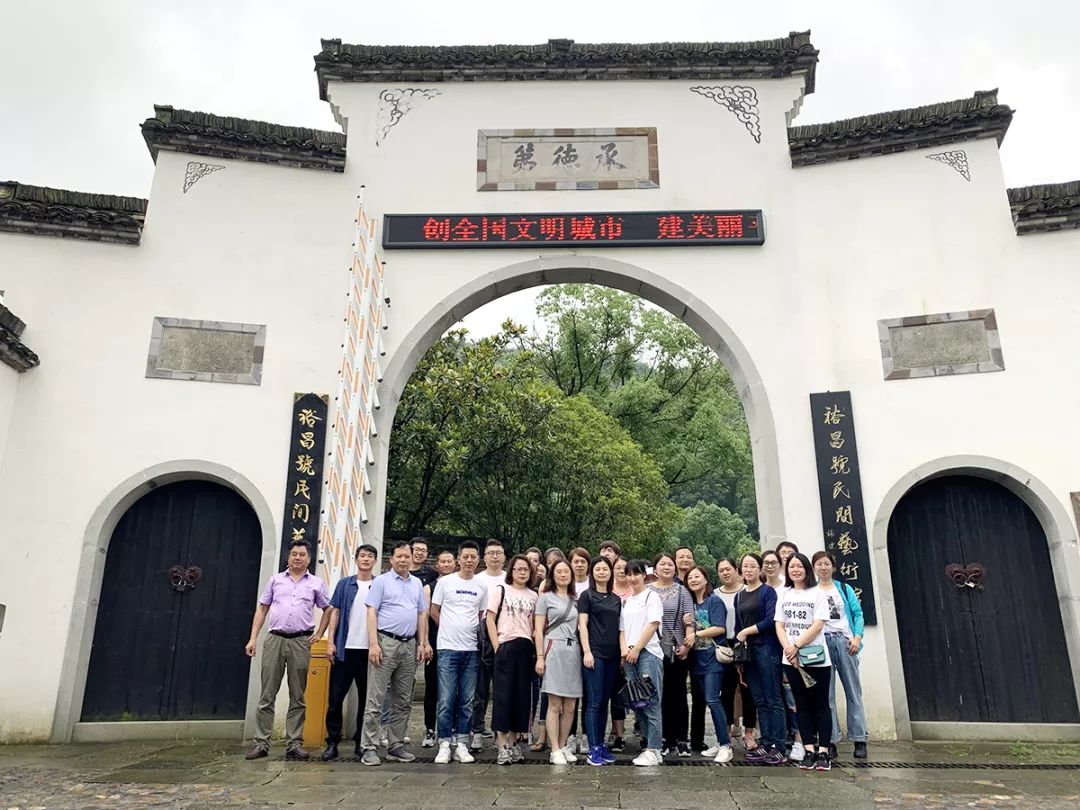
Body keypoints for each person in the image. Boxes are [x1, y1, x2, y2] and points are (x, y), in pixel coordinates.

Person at [245, 539, 330, 761]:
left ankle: (294, 743)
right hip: (275, 639)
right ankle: (261, 742)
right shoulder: (276, 580)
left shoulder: (316, 584)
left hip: (301, 642)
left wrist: (320, 633)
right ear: (288, 556)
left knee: (298, 695)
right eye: (294, 554)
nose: (297, 558)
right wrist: (253, 638)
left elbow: (328, 609)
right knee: (267, 694)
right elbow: (262, 609)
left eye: (302, 554)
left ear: (309, 559)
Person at [358, 542, 432, 766]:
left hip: (409, 645)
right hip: (385, 643)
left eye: (407, 556)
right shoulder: (381, 581)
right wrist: (373, 643)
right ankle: (369, 746)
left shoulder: (416, 583)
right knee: (376, 698)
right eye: (399, 556)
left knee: (403, 699)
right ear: (391, 559)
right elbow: (371, 612)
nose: (403, 560)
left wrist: (422, 643)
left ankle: (396, 744)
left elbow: (421, 614)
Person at [430, 541, 487, 764]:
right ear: (458, 558)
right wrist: (448, 627)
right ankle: (444, 743)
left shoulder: (481, 585)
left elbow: (481, 614)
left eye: (473, 557)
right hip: (447, 648)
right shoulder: (445, 582)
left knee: (467, 699)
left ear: (478, 560)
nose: (469, 561)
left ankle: (462, 743)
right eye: (466, 557)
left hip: (471, 649)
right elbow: (434, 610)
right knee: (445, 699)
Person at [775, 553, 833, 771]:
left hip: (816, 658)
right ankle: (808, 749)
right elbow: (779, 624)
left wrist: (796, 645)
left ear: (807, 569)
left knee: (821, 705)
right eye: (792, 567)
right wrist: (788, 649)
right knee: (801, 704)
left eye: (799, 566)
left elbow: (818, 624)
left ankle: (824, 751)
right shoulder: (784, 594)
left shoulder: (817, 593)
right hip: (791, 659)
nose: (795, 570)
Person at [320, 543, 378, 761]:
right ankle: (332, 742)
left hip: (369, 652)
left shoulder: (379, 585)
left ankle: (361, 742)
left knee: (367, 700)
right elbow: (335, 612)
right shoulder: (345, 584)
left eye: (370, 556)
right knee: (335, 699)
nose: (366, 559)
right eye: (362, 555)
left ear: (375, 561)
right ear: (356, 559)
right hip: (344, 650)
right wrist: (330, 642)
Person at [812, 550, 868, 760]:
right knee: (826, 696)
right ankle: (830, 740)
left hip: (845, 643)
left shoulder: (844, 588)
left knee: (853, 692)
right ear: (814, 568)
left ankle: (859, 739)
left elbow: (858, 614)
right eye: (819, 564)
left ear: (833, 567)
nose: (823, 567)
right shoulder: (811, 591)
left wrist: (857, 637)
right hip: (822, 644)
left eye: (826, 563)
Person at [733, 553, 786, 766]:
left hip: (767, 649)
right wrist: (738, 657)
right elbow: (737, 626)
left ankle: (779, 746)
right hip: (749, 654)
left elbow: (771, 620)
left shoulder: (767, 592)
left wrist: (746, 632)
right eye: (745, 566)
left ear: (759, 569)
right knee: (760, 700)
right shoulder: (739, 596)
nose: (748, 570)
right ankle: (766, 741)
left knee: (773, 698)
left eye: (753, 566)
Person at [488, 554, 539, 765]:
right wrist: (497, 646)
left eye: (526, 569)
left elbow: (536, 625)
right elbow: (490, 618)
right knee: (503, 697)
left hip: (526, 648)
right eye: (519, 569)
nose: (522, 572)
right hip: (506, 646)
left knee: (522, 698)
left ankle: (514, 741)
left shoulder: (534, 596)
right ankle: (502, 745)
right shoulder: (501, 590)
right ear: (512, 570)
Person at [535, 558, 583, 765]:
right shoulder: (545, 598)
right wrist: (540, 656)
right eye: (559, 572)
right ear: (552, 575)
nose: (563, 575)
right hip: (553, 647)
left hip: (573, 650)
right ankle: (554, 748)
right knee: (554, 703)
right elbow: (538, 630)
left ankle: (563, 745)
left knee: (570, 705)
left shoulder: (577, 599)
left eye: (566, 572)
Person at [648, 552, 695, 758]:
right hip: (653, 649)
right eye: (662, 564)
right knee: (660, 695)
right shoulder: (648, 591)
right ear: (655, 569)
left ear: (674, 569)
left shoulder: (682, 591)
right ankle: (665, 738)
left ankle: (682, 739)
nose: (666, 567)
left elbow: (690, 620)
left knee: (679, 694)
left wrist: (687, 645)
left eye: (669, 564)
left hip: (676, 649)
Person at [686, 565, 734, 764]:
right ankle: (720, 742)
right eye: (690, 578)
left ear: (706, 579)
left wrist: (696, 633)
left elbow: (720, 628)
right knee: (707, 701)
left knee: (713, 700)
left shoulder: (714, 601)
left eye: (697, 576)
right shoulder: (691, 604)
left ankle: (726, 745)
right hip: (696, 660)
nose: (693, 580)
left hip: (712, 659)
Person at [619, 559, 665, 767]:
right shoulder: (627, 601)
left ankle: (654, 749)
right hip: (629, 656)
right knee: (638, 704)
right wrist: (625, 650)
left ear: (644, 575)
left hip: (648, 653)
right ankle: (649, 746)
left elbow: (653, 624)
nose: (632, 578)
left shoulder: (651, 596)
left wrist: (637, 648)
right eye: (628, 574)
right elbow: (622, 629)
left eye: (636, 574)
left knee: (651, 702)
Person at [578, 556, 621, 766]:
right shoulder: (587, 596)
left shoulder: (616, 599)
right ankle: (593, 747)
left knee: (604, 701)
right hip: (594, 653)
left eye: (605, 569)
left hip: (613, 656)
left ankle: (601, 745)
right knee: (594, 702)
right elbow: (582, 625)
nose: (601, 572)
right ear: (592, 573)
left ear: (611, 572)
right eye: (598, 569)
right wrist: (587, 651)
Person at [715, 557, 756, 750]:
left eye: (728, 569)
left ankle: (749, 733)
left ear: (736, 570)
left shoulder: (747, 591)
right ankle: (726, 734)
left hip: (745, 643)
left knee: (748, 690)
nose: (725, 573)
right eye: (721, 570)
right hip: (724, 645)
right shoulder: (715, 594)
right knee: (726, 691)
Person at [470, 539, 507, 750]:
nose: (494, 556)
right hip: (480, 640)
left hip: (504, 639)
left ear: (504, 557)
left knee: (502, 690)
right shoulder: (477, 580)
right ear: (484, 558)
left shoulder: (509, 580)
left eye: (498, 553)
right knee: (479, 689)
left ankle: (498, 733)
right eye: (491, 553)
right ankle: (477, 730)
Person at [421, 550, 458, 748]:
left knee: (454, 689)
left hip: (456, 642)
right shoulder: (429, 587)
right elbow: (425, 616)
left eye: (449, 561)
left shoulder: (459, 584)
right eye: (442, 561)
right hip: (435, 641)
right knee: (432, 687)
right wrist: (425, 642)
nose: (446, 564)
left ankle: (452, 728)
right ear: (437, 564)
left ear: (455, 563)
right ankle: (429, 728)